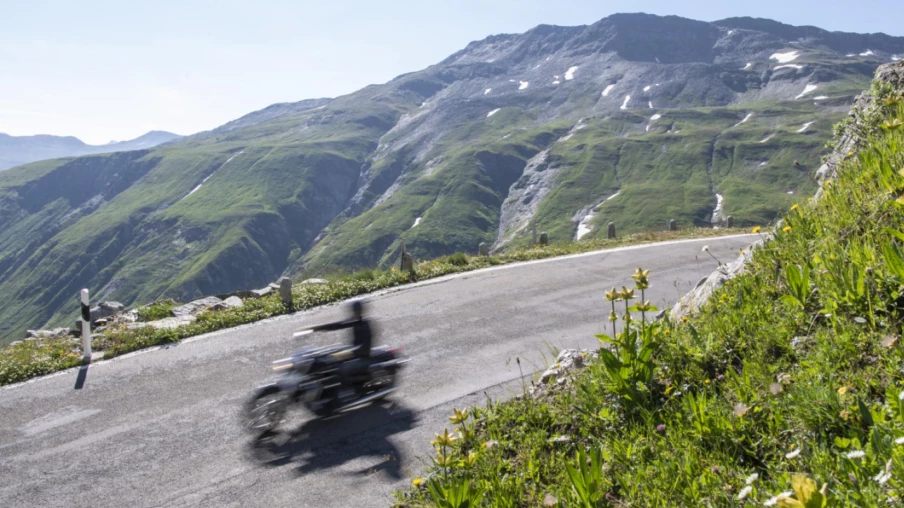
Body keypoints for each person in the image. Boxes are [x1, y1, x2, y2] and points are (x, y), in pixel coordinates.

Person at [309, 300, 374, 399]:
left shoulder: (365, 324)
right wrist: (317, 328)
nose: (354, 312)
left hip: (362, 357)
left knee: (341, 369)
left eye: (356, 310)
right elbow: (338, 325)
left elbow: (365, 347)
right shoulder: (355, 321)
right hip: (353, 352)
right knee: (330, 354)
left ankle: (346, 392)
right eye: (353, 310)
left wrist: (349, 352)